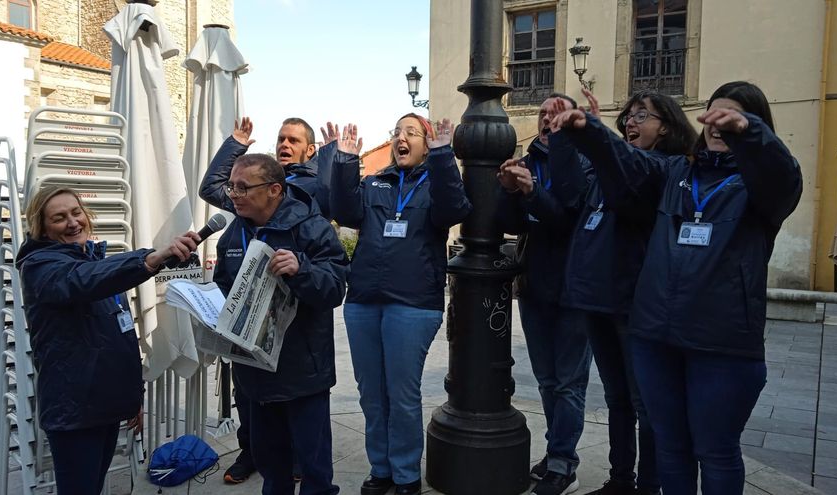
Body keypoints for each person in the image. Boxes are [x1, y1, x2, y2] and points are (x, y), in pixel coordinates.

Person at [553, 81, 803, 494]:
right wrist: (589, 130)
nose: (719, 124)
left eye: (734, 116)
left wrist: (751, 133)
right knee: (671, 448)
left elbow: (783, 174)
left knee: (716, 451)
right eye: (714, 114)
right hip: (655, 337)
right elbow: (631, 164)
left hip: (721, 344)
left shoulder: (762, 187)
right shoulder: (676, 172)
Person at [555, 89, 697, 495]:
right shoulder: (610, 168)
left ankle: (648, 486)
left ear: (666, 126)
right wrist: (574, 137)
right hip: (596, 298)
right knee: (617, 397)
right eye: (629, 116)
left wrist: (598, 135)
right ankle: (621, 480)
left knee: (644, 403)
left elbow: (631, 168)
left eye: (643, 116)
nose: (632, 122)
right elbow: (574, 195)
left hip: (633, 303)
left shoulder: (666, 168)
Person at [15, 186, 199, 495]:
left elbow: (120, 337)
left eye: (76, 213)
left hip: (106, 404)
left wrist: (132, 397)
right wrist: (151, 259)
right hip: (75, 412)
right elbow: (81, 280)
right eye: (59, 218)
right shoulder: (40, 268)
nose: (73, 223)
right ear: (42, 228)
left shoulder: (96, 261)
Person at [331, 115, 471, 495]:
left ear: (426, 144)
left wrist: (444, 156)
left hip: (413, 304)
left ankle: (406, 474)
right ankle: (381, 469)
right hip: (362, 301)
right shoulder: (375, 182)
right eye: (397, 132)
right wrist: (343, 161)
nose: (401, 138)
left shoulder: (436, 181)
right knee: (371, 393)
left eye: (411, 133)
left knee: (402, 394)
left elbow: (455, 209)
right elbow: (344, 212)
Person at [199, 151, 348, 495]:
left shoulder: (312, 227)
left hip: (302, 373)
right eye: (232, 187)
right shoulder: (232, 234)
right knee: (271, 466)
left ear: (274, 190)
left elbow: (335, 288)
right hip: (253, 374)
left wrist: (303, 270)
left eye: (242, 188)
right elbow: (224, 287)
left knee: (313, 468)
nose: (233, 195)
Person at [495, 93, 594, 495]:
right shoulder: (528, 160)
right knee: (548, 381)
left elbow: (567, 218)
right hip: (536, 287)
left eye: (556, 113)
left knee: (569, 383)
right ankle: (557, 451)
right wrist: (506, 189)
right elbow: (512, 225)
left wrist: (532, 192)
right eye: (542, 113)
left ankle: (563, 463)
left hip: (575, 290)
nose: (547, 119)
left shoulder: (585, 163)